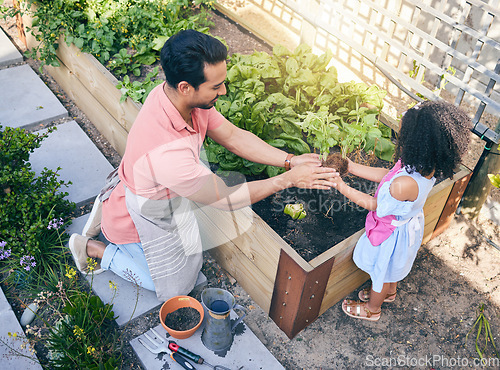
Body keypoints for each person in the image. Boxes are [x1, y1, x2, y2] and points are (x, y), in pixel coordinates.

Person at [69, 29, 337, 301]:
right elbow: (226, 198)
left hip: (157, 186)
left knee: (190, 261)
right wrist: (288, 179)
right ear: (186, 87)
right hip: (146, 212)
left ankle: (109, 204)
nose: (223, 90)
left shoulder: (176, 97)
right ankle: (94, 248)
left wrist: (290, 160)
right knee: (176, 288)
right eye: (216, 86)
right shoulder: (169, 154)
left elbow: (233, 136)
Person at [333, 100, 472, 321]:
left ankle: (372, 308)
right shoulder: (425, 167)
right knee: (392, 268)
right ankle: (389, 292)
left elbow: (374, 205)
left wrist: (341, 185)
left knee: (382, 272)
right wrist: (350, 167)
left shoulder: (403, 185)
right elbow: (386, 175)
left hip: (391, 234)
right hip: (407, 226)